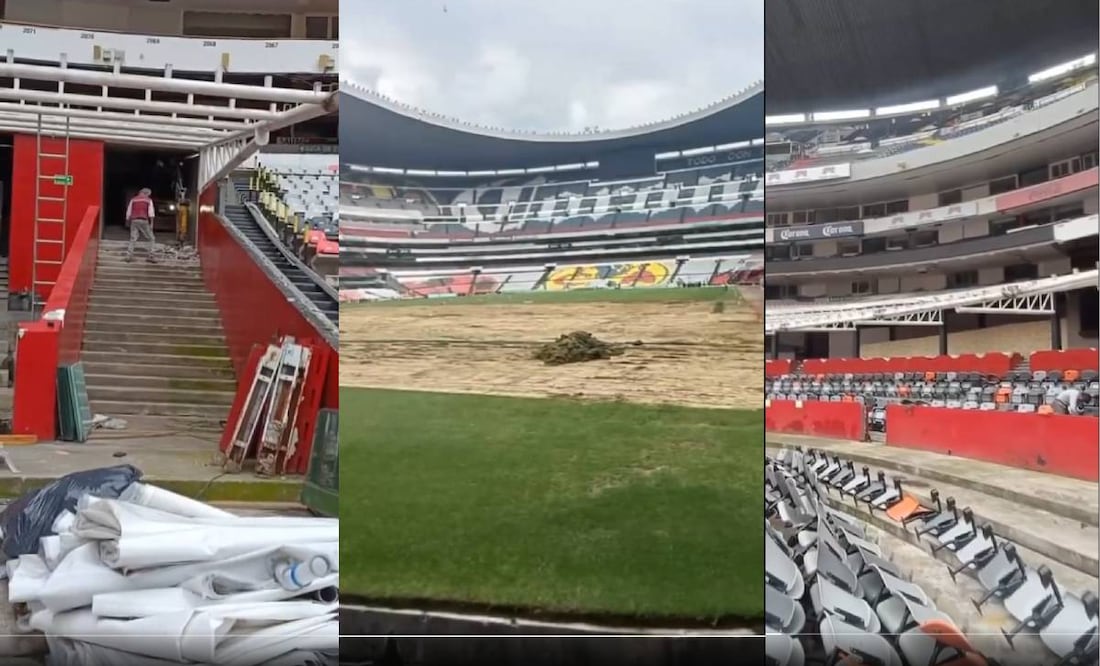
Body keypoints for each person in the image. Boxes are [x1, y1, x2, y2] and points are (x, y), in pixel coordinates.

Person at [126, 188, 157, 262]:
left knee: (133, 238)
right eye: (149, 194)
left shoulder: (133, 199)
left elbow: (129, 211)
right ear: (147, 193)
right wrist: (151, 224)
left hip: (134, 220)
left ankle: (129, 256)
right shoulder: (148, 200)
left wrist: (128, 219)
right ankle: (151, 256)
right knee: (151, 238)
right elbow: (151, 213)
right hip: (143, 220)